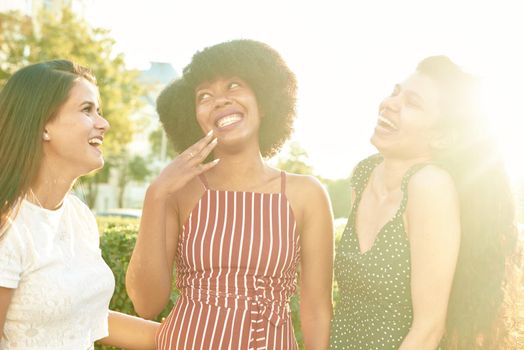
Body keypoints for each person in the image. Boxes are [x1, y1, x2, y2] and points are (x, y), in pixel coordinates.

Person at [126, 39, 334, 350]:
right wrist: (156, 195)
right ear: (196, 117)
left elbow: (317, 310)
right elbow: (146, 304)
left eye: (234, 85)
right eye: (204, 96)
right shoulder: (179, 193)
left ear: (263, 102)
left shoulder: (306, 194)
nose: (219, 101)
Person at [329, 56, 521, 349]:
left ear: (441, 137)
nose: (390, 103)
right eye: (395, 92)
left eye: (413, 103)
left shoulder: (430, 185)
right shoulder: (364, 174)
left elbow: (428, 328)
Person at [0, 60, 158, 349]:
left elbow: (87, 318)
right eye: (87, 110)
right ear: (43, 126)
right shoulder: (8, 225)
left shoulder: (78, 216)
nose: (104, 123)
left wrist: (198, 336)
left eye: (99, 111)